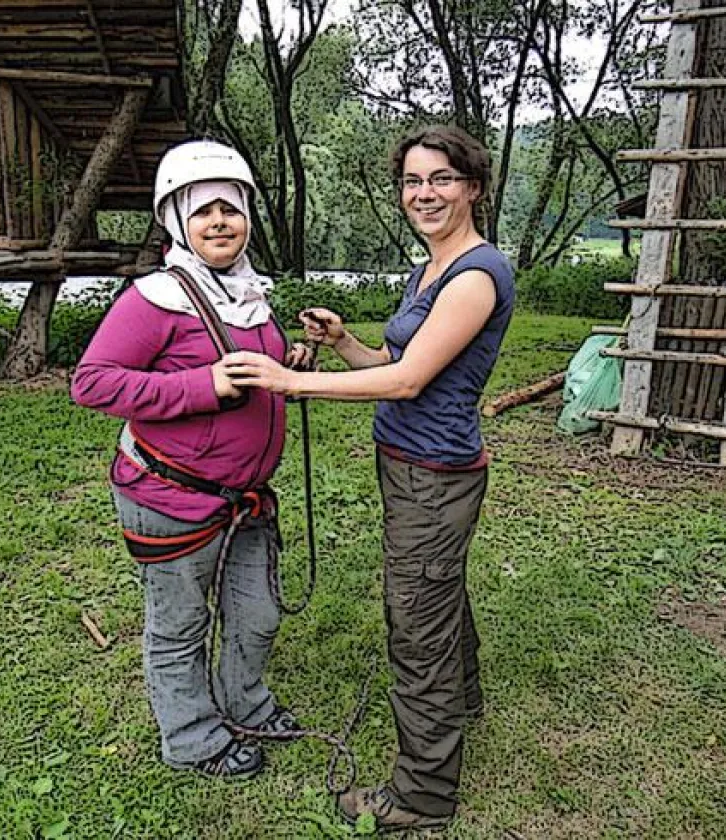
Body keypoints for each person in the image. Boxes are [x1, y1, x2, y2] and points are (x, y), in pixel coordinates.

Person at [223, 125, 515, 831]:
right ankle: (463, 700)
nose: (424, 193)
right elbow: (390, 361)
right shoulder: (431, 270)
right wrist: (343, 342)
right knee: (437, 593)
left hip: (435, 475)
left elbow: (409, 381)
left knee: (417, 623)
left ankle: (421, 797)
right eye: (413, 181)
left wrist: (291, 381)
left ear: (473, 187)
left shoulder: (475, 276)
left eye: (441, 179)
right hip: (412, 467)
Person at [70, 139, 311, 779]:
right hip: (171, 497)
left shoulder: (248, 293)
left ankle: (245, 703)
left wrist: (290, 362)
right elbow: (91, 382)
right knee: (178, 627)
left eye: (230, 209)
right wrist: (202, 387)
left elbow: (250, 367)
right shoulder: (154, 298)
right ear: (177, 219)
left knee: (257, 617)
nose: (220, 223)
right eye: (203, 211)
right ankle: (192, 737)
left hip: (244, 500)